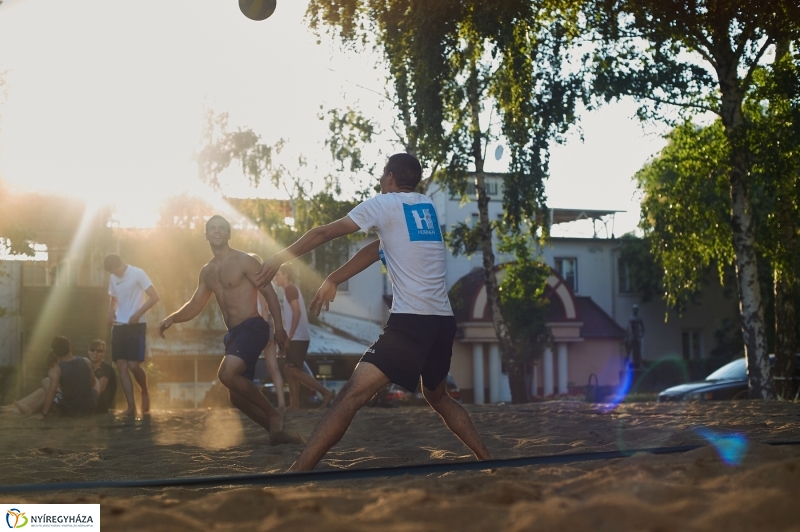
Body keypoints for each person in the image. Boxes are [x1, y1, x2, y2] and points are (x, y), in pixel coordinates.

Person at [257, 153, 492, 471]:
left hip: (411, 323)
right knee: (438, 397)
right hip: (441, 322)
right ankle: (489, 461)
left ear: (391, 178)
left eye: (383, 176)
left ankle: (298, 470)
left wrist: (279, 258)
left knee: (350, 395)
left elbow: (323, 232)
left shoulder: (384, 204)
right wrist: (335, 277)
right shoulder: (425, 207)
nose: (380, 182)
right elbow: (377, 249)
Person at [158, 215, 301, 445]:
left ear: (228, 234)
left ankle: (274, 414)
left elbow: (270, 294)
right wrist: (172, 318)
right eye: (212, 228)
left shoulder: (245, 261)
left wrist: (280, 328)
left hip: (254, 328)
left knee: (225, 374)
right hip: (233, 335)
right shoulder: (207, 271)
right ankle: (276, 433)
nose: (216, 231)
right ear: (206, 235)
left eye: (221, 228)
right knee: (236, 398)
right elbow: (196, 304)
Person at [104, 254, 160, 416]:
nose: (113, 273)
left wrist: (137, 314)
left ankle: (144, 391)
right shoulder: (113, 277)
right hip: (119, 326)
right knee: (121, 365)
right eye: (111, 272)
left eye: (114, 270)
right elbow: (113, 298)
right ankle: (131, 407)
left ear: (119, 264)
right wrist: (110, 313)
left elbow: (154, 297)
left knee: (133, 365)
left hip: (137, 324)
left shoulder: (137, 273)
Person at [274, 263, 334, 411]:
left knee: (293, 371)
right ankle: (294, 405)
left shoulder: (290, 290)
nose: (276, 277)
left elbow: (297, 312)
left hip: (298, 337)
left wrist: (290, 335)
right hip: (297, 336)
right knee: (289, 369)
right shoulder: (289, 290)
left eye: (278, 274)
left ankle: (326, 393)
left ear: (286, 275)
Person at [0, 336, 97, 417]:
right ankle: (19, 408)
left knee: (46, 382)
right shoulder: (86, 361)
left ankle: (26, 408)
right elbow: (92, 383)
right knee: (46, 388)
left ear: (54, 353)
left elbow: (52, 391)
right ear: (70, 348)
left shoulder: (56, 370)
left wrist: (43, 414)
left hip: (70, 410)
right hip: (89, 408)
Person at [87, 339, 118, 414]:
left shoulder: (105, 367)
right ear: (88, 351)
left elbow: (101, 388)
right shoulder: (87, 367)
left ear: (103, 353)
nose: (95, 353)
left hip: (99, 405)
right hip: (91, 402)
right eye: (92, 350)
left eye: (99, 351)